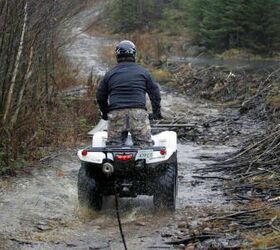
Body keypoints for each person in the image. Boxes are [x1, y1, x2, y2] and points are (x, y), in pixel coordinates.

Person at [96, 40, 162, 147]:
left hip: (116, 114)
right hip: (138, 114)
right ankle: (142, 162)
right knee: (144, 147)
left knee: (113, 147)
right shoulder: (143, 72)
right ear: (134, 54)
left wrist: (105, 113)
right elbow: (155, 94)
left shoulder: (110, 74)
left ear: (117, 55)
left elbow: (100, 97)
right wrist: (156, 113)